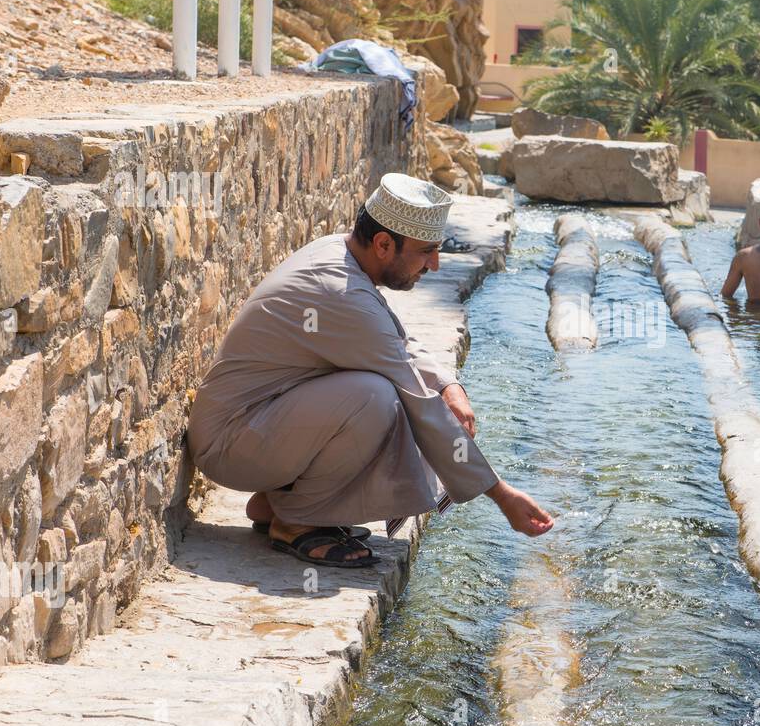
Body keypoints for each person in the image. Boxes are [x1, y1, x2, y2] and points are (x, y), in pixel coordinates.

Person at [187, 173, 555, 568]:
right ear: (383, 244)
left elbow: (395, 339)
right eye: (427, 252)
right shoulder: (339, 292)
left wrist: (450, 385)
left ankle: (279, 502)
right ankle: (296, 521)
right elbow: (416, 395)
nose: (434, 265)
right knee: (376, 398)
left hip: (252, 430)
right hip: (229, 445)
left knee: (385, 393)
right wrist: (502, 495)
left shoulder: (341, 256)